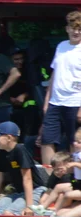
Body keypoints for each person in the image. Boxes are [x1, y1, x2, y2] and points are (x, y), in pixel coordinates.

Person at [41, 11, 81, 165]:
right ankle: (48, 179)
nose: (76, 32)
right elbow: (54, 74)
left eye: (80, 29)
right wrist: (47, 101)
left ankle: (74, 177)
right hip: (55, 102)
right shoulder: (61, 46)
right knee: (47, 139)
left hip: (75, 102)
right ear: (67, 29)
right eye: (73, 28)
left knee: (75, 141)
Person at [7, 49, 40, 153]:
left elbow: (34, 88)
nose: (19, 61)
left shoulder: (29, 72)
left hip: (27, 108)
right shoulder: (6, 72)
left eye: (21, 59)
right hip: (9, 106)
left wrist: (24, 95)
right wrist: (10, 98)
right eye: (16, 59)